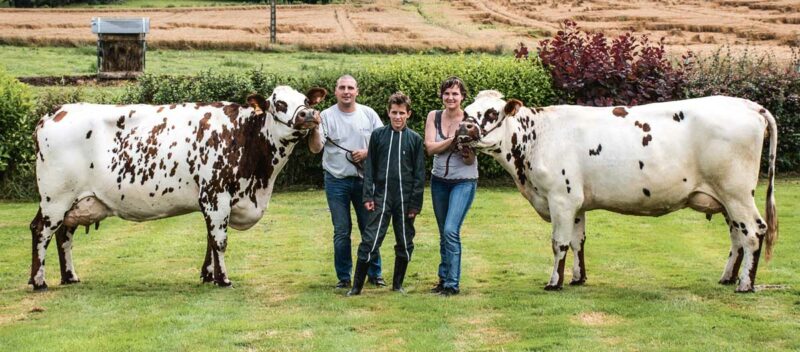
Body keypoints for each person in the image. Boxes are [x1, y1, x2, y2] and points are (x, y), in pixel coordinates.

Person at [308, 75, 385, 289]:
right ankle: (344, 277)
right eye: (342, 87)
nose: (346, 91)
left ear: (357, 91)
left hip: (365, 181)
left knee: (368, 228)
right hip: (336, 181)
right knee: (342, 230)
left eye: (350, 87)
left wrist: (367, 153)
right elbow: (316, 149)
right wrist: (314, 127)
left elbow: (384, 144)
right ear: (336, 92)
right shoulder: (326, 116)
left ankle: (374, 273)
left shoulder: (368, 114)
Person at [347, 92, 426, 296]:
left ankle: (397, 285)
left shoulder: (415, 140)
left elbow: (419, 175)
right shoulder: (378, 136)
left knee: (405, 242)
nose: (397, 117)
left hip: (405, 200)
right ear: (388, 113)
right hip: (381, 197)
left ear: (408, 114)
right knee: (370, 241)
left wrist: (415, 204)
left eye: (401, 113)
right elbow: (370, 168)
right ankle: (356, 287)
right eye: (394, 113)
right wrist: (367, 196)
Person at [424, 76, 478, 296]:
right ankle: (443, 278)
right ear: (441, 95)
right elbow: (430, 148)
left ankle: (452, 284)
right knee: (442, 232)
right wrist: (453, 140)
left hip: (464, 181)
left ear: (462, 97)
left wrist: (466, 149)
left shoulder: (471, 120)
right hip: (439, 181)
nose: (450, 97)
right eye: (446, 93)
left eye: (455, 93)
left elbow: (470, 160)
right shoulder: (433, 116)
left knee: (450, 230)